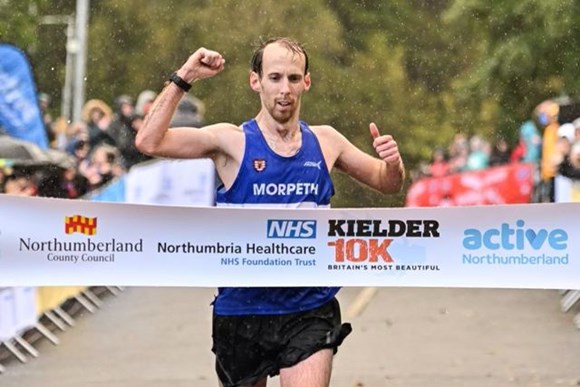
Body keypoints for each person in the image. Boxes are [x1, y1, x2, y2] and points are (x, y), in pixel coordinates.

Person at [135, 37, 404, 387]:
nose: (284, 89)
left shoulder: (326, 141)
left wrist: (393, 163)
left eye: (293, 78)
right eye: (274, 77)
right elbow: (148, 142)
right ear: (255, 81)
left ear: (306, 82)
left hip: (308, 305)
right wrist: (186, 75)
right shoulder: (231, 141)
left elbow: (387, 183)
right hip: (242, 309)